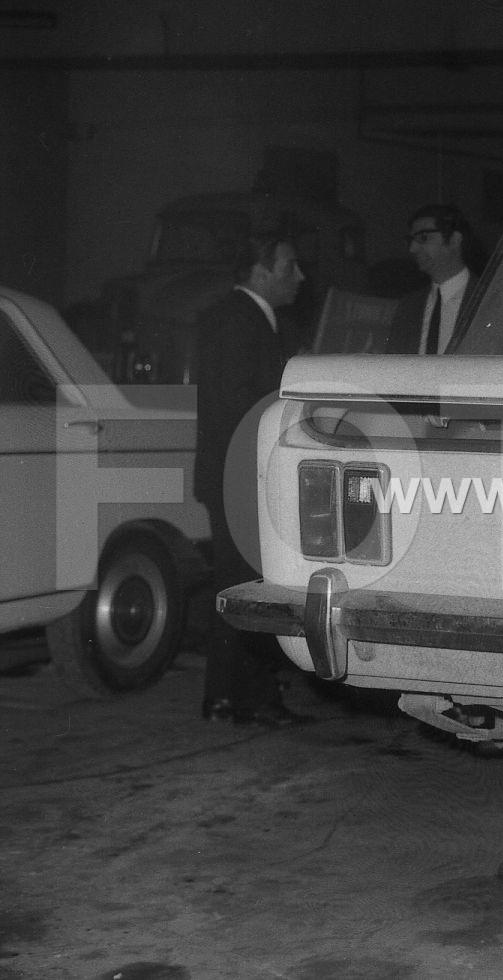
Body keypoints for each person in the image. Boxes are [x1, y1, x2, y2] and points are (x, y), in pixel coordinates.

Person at [194, 229, 308, 726]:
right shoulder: (241, 320)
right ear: (261, 272)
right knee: (250, 589)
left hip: (234, 475)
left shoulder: (241, 316)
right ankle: (249, 698)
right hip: (242, 477)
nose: (300, 276)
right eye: (289, 266)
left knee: (237, 585)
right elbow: (238, 406)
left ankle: (226, 696)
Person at [386, 204, 481, 354]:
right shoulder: (408, 307)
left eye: (423, 238)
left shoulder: (487, 299)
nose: (412, 248)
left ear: (455, 240)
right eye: (411, 240)